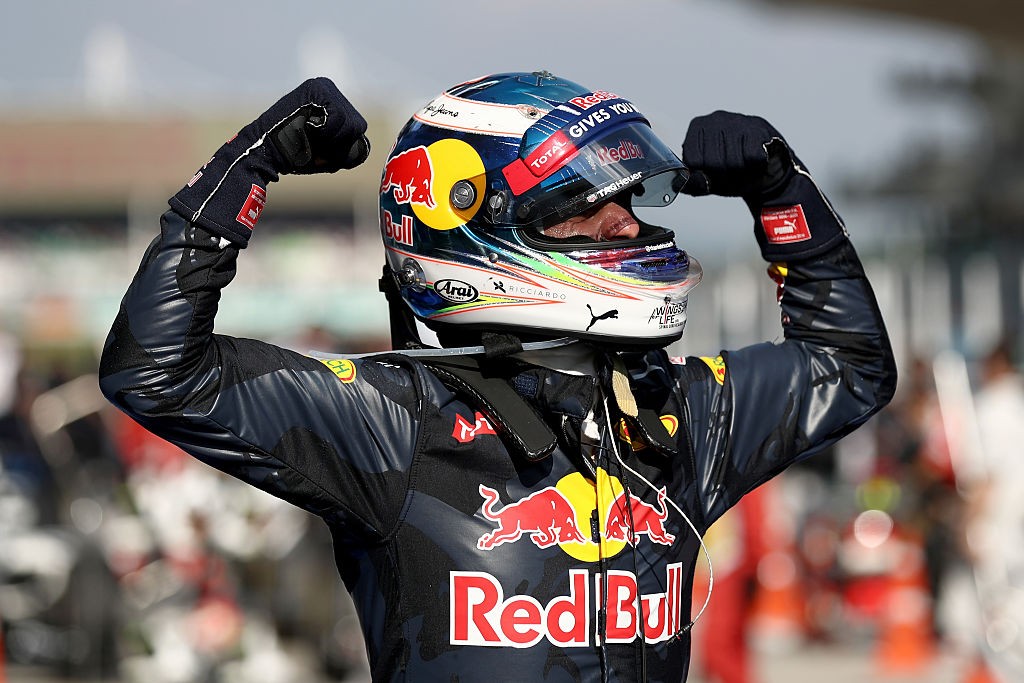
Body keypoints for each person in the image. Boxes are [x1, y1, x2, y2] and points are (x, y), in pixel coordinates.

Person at [99, 72, 897, 682]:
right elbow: (156, 367)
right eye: (587, 207)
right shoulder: (393, 421)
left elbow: (851, 365)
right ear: (477, 230)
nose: (628, 224)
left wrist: (783, 196)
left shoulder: (674, 411)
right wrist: (243, 171)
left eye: (630, 200)